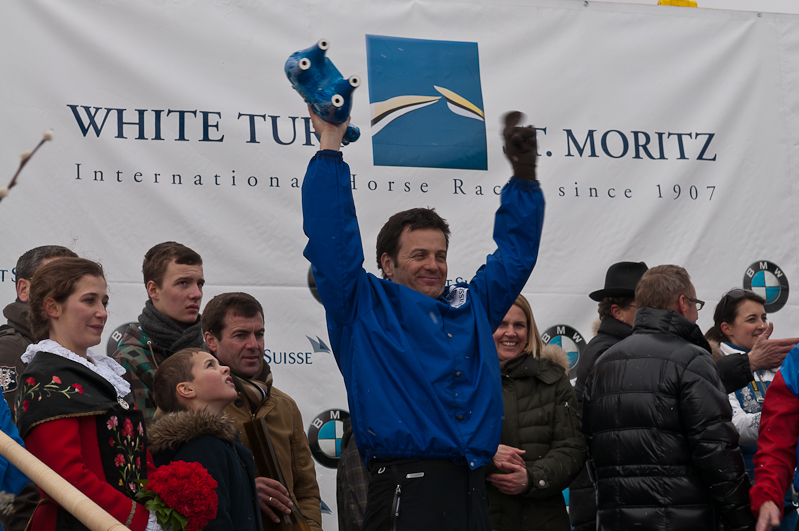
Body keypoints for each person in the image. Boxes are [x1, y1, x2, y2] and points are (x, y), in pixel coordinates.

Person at [302, 107, 545, 531]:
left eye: (440, 255)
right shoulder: (360, 305)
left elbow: (516, 256)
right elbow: (330, 238)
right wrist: (329, 147)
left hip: (469, 487)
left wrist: (523, 179)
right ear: (387, 263)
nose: (432, 265)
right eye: (418, 255)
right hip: (405, 489)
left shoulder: (472, 304)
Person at [582, 265, 755, 531]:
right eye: (696, 304)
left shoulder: (603, 363)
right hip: (684, 521)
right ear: (683, 303)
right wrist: (743, 522)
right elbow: (717, 455)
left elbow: (593, 455)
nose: (698, 315)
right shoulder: (693, 360)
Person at [15, 257, 160, 530]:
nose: (102, 312)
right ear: (52, 306)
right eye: (89, 300)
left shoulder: (106, 374)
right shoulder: (45, 375)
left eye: (104, 302)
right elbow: (64, 476)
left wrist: (160, 509)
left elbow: (138, 459)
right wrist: (139, 520)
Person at [201, 292, 322, 531]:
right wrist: (245, 490)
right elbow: (182, 488)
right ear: (211, 341)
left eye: (259, 334)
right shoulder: (194, 403)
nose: (254, 345)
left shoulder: (285, 405)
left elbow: (306, 491)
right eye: (240, 335)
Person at [485, 294, 586, 531]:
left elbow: (572, 448)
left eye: (519, 325)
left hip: (543, 519)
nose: (510, 332)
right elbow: (447, 444)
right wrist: (487, 456)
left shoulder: (553, 380)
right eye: (501, 324)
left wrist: (532, 479)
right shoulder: (464, 381)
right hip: (482, 516)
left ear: (529, 330)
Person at [705, 289, 798, 530]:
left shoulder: (778, 367)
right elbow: (732, 426)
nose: (761, 325)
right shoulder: (713, 368)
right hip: (743, 498)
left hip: (784, 496)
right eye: (751, 319)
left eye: (764, 318)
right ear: (727, 328)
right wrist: (782, 421)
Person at [0, 245, 76, 531]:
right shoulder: (9, 352)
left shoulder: (70, 354)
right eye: (57, 282)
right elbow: (15, 458)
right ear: (23, 289)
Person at [569, 261, 647, 531]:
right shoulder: (612, 353)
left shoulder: (615, 346)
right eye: (644, 308)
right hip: (605, 496)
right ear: (617, 311)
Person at [148, 348, 263, 531]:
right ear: (186, 389)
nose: (225, 368)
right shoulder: (203, 449)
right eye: (210, 365)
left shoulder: (221, 443)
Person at [113, 241, 205, 417]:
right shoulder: (128, 361)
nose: (197, 294)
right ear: (153, 290)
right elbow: (148, 439)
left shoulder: (208, 351)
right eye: (183, 283)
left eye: (199, 284)